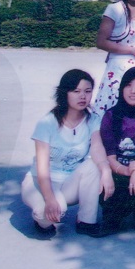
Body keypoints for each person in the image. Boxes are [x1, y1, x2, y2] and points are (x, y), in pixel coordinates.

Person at [22, 70, 113, 238]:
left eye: (87, 91)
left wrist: (106, 170)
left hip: (69, 183)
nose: (83, 96)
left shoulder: (93, 120)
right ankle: (41, 219)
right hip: (40, 182)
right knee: (48, 214)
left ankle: (86, 221)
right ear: (65, 93)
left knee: (94, 164)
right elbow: (42, 169)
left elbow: (97, 148)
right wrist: (50, 199)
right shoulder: (47, 122)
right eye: (76, 91)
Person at [97, 67, 135, 235]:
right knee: (112, 208)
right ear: (122, 88)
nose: (133, 91)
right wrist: (126, 171)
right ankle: (115, 214)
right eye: (128, 85)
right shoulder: (111, 116)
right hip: (117, 169)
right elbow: (110, 154)